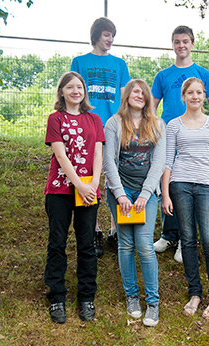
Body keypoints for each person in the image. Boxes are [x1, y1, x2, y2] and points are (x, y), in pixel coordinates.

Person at [151, 25, 209, 263]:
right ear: (173, 44)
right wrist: (158, 130)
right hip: (171, 137)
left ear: (192, 44)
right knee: (169, 182)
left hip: (195, 139)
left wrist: (203, 130)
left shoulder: (204, 74)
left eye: (185, 41)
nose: (181, 45)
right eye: (177, 41)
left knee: (190, 185)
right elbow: (152, 108)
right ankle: (168, 234)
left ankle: (184, 239)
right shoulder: (162, 76)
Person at [161, 77, 209, 318]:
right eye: (191, 93)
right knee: (187, 240)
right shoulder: (174, 125)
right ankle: (195, 293)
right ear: (183, 96)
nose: (196, 97)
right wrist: (165, 194)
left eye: (200, 93)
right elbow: (167, 162)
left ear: (204, 96)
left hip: (207, 185)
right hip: (180, 185)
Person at [103, 79, 166, 327]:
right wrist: (120, 195)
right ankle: (132, 297)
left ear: (148, 98)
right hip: (120, 192)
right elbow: (109, 161)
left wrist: (144, 194)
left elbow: (159, 163)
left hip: (146, 194)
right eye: (135, 91)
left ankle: (153, 302)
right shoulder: (114, 123)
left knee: (144, 245)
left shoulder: (157, 124)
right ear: (127, 95)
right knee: (125, 244)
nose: (139, 95)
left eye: (143, 92)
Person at [43, 71, 105, 324]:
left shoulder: (94, 119)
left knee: (87, 245)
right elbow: (60, 155)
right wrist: (79, 184)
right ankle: (57, 296)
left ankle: (86, 297)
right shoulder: (55, 119)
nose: (75, 91)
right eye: (70, 87)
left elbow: (98, 154)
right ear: (62, 92)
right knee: (57, 243)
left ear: (84, 92)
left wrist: (93, 184)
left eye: (79, 87)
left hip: (88, 193)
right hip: (60, 191)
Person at [71, 17, 130, 257]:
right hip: (87, 126)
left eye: (112, 35)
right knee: (88, 178)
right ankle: (94, 230)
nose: (110, 39)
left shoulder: (119, 64)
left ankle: (116, 231)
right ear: (96, 35)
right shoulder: (80, 61)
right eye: (106, 35)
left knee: (114, 176)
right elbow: (73, 92)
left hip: (113, 127)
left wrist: (122, 123)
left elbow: (125, 97)